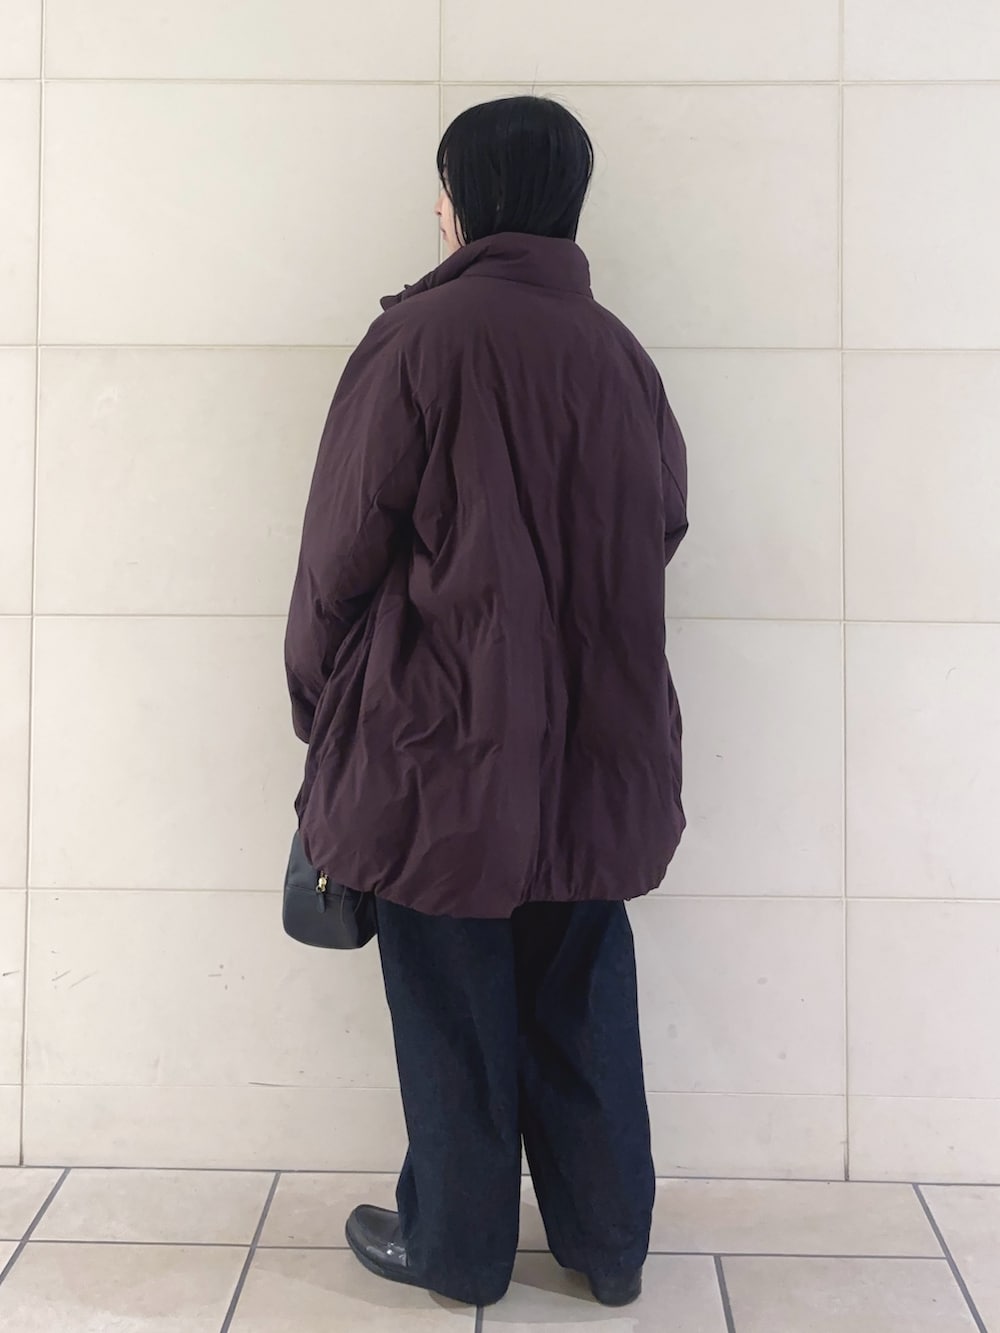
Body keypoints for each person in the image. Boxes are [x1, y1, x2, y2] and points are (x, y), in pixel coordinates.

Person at [284, 95, 688, 1310]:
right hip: (597, 743)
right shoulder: (618, 354)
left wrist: (320, 706)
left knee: (454, 1003)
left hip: (440, 743)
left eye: (443, 185)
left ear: (466, 197)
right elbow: (661, 523)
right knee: (581, 992)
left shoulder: (420, 338)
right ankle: (607, 1248)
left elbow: (339, 553)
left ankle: (458, 1250)